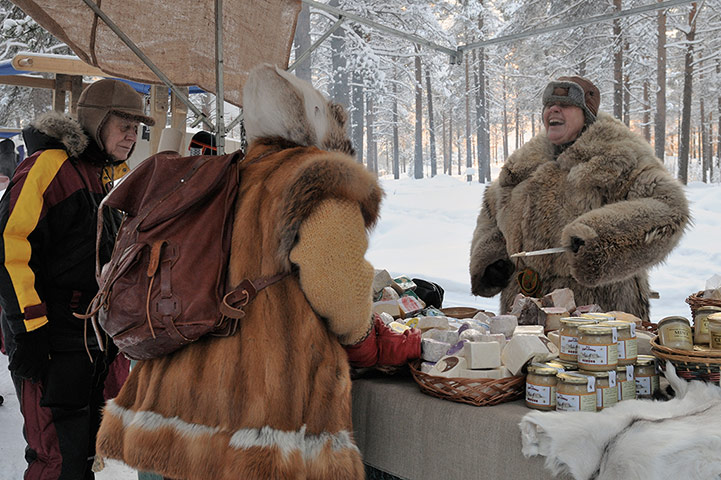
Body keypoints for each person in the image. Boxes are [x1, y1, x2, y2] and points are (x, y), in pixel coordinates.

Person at [94, 64, 419, 480]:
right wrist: (366, 337)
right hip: (258, 415)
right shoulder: (319, 179)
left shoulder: (226, 173)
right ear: (323, 127)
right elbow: (338, 287)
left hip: (178, 399)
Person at [0, 78, 154, 479]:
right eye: (124, 126)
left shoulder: (103, 176)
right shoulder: (50, 166)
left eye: (136, 129)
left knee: (83, 455)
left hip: (89, 340)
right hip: (49, 336)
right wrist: (29, 329)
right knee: (57, 459)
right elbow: (9, 247)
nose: (131, 137)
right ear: (97, 122)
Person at [469, 76, 689, 321]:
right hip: (526, 319)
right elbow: (492, 213)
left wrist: (596, 239)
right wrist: (489, 261)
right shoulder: (521, 168)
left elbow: (669, 209)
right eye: (548, 105)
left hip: (599, 316)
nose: (553, 109)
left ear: (588, 113)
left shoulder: (621, 158)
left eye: (565, 105)